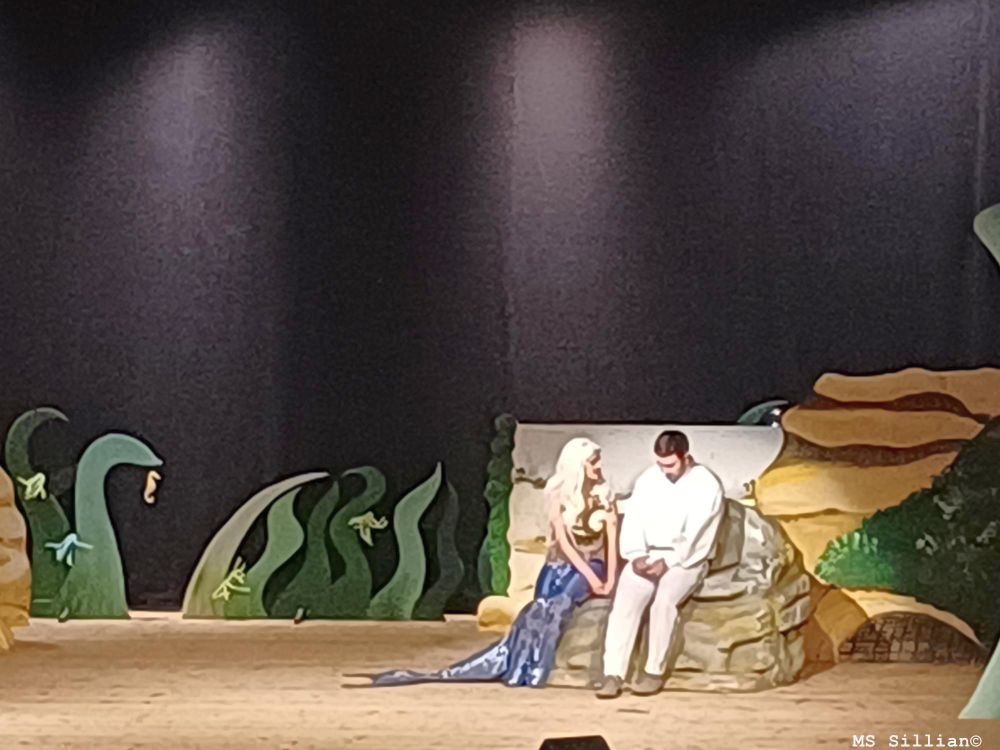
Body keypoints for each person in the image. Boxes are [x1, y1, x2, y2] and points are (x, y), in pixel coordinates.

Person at [367, 437, 618, 688]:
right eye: (593, 462)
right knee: (537, 609)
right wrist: (591, 578)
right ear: (578, 465)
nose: (598, 466)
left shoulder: (604, 496)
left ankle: (536, 667)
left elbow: (611, 542)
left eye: (597, 461)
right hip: (559, 566)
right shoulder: (557, 493)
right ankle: (522, 664)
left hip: (591, 565)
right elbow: (563, 543)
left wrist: (607, 579)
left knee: (558, 605)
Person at [595, 430, 725, 699]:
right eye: (661, 464)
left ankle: (653, 671)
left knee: (663, 603)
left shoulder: (706, 484)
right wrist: (636, 555)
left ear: (685, 458)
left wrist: (669, 561)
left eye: (670, 464)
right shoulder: (648, 480)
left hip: (687, 559)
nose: (665, 470)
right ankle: (613, 673)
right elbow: (634, 521)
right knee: (625, 601)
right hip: (648, 554)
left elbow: (698, 534)